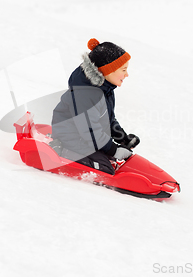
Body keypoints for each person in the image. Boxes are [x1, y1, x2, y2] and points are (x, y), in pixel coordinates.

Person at [51, 38, 140, 175]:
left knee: (111, 157)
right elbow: (89, 130)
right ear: (108, 70)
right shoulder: (86, 94)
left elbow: (108, 119)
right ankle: (63, 151)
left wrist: (122, 138)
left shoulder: (106, 89)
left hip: (87, 137)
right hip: (72, 137)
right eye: (123, 69)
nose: (126, 74)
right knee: (105, 168)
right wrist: (113, 150)